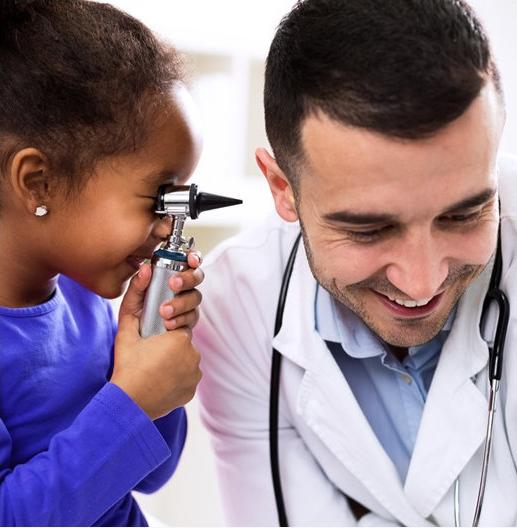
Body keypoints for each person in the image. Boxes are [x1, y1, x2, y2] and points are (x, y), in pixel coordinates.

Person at [194, 0, 517, 525]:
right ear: (282, 189)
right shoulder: (239, 303)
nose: (422, 280)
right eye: (369, 229)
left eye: (465, 215)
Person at [0, 1, 205, 525]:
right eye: (158, 196)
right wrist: (132, 401)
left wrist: (149, 355)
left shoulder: (87, 303)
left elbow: (149, 475)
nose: (168, 226)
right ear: (37, 182)